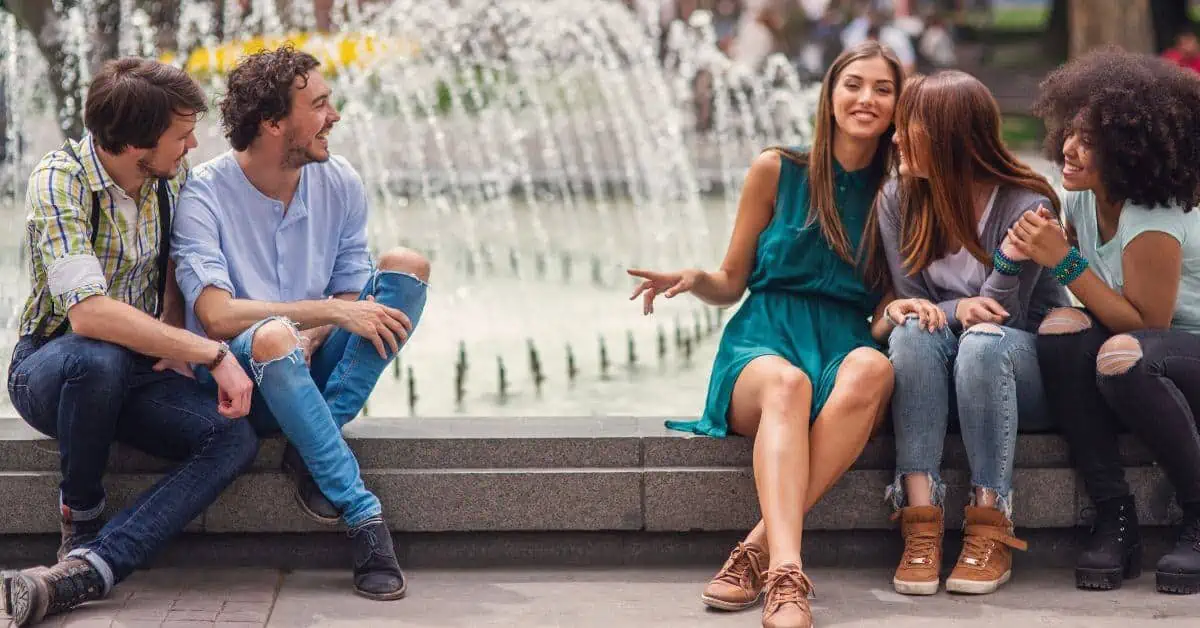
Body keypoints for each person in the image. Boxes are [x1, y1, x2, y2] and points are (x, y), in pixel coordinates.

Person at [628, 41, 905, 628]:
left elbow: (883, 304)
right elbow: (732, 279)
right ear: (830, 95)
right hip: (763, 337)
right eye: (854, 84)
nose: (866, 98)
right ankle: (786, 576)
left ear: (897, 107)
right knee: (787, 385)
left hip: (844, 339)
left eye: (883, 89)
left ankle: (753, 550)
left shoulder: (900, 192)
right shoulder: (777, 169)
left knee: (876, 369)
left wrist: (896, 311)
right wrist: (695, 277)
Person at [1, 58, 258, 627]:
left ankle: (91, 568)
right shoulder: (59, 179)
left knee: (233, 438)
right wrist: (210, 353)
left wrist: (169, 331)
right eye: (182, 132)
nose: (194, 142)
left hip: (137, 370)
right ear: (138, 142)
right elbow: (89, 315)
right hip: (52, 365)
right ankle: (83, 520)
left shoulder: (170, 179)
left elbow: (173, 262)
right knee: (98, 357)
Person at [170, 46, 429, 602]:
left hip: (310, 361)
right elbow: (215, 316)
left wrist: (313, 334)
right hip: (239, 384)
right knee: (271, 335)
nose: (333, 116)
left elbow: (349, 289)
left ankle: (314, 444)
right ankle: (365, 519)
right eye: (319, 104)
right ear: (271, 122)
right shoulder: (203, 194)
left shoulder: (340, 181)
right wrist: (323, 316)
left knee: (407, 268)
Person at [1015, 49, 1200, 595]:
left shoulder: (1153, 216)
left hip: (1183, 351)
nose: (1069, 148)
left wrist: (1064, 261)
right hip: (1142, 350)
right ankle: (1114, 516)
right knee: (1060, 331)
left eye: (1090, 141)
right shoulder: (1083, 201)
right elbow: (1095, 305)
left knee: (1124, 357)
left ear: (1130, 152)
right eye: (1071, 131)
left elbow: (1147, 325)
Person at [877, 70, 1069, 597]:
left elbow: (1002, 316)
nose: (894, 139)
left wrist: (1006, 262)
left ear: (947, 135)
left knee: (983, 342)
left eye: (907, 127)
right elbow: (912, 295)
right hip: (940, 375)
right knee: (914, 328)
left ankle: (990, 524)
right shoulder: (900, 198)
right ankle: (920, 518)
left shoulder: (1027, 206)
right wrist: (956, 305)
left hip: (1018, 373)